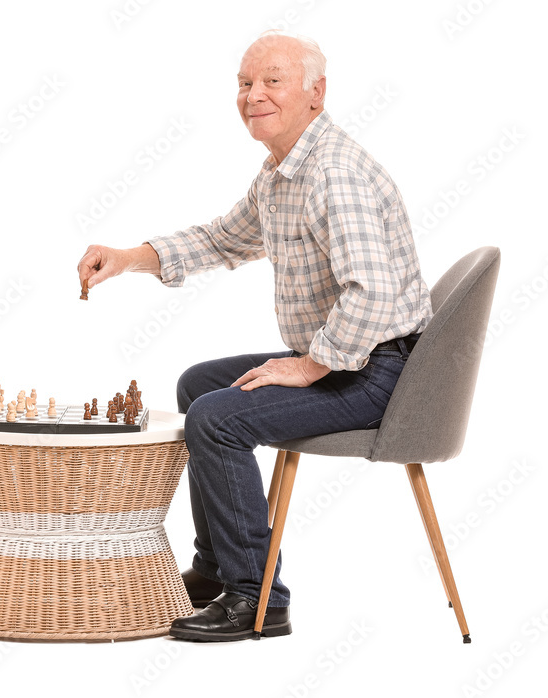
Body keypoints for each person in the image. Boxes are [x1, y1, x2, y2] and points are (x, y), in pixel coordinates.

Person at [77, 31, 432, 642]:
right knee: (200, 386)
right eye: (244, 83)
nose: (252, 95)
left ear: (315, 94)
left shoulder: (335, 174)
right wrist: (130, 256)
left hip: (378, 370)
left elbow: (370, 294)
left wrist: (311, 364)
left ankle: (257, 599)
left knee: (216, 419)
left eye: (271, 80)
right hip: (348, 359)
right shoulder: (281, 173)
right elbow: (223, 240)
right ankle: (217, 569)